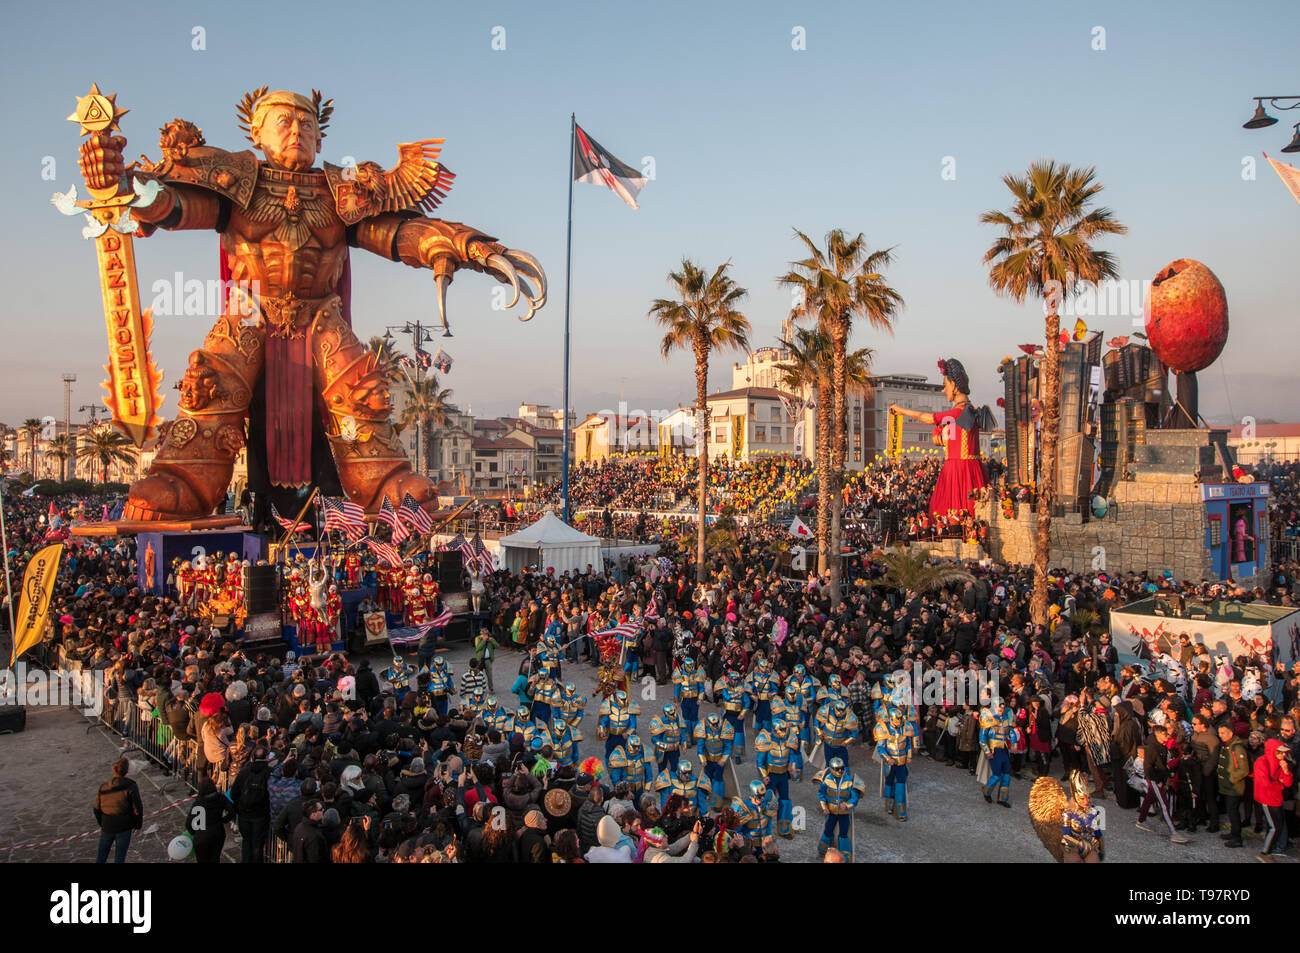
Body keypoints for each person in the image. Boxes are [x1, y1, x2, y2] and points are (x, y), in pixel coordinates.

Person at [888, 357, 986, 518]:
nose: (943, 390)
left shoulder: (959, 412)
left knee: (955, 508)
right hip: (961, 468)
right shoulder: (965, 412)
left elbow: (930, 418)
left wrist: (903, 411)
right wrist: (940, 432)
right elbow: (942, 439)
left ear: (953, 385)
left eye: (945, 385)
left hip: (959, 470)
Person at [93, 757, 143, 864]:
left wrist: (101, 823)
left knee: (101, 856)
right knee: (120, 857)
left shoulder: (104, 787)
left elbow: (96, 808)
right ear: (126, 771)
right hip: (124, 827)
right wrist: (138, 826)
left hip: (107, 825)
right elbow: (137, 808)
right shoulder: (131, 786)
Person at [1254, 736, 1294, 862]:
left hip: (1276, 798)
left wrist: (1286, 770)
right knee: (1274, 827)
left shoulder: (1281, 763)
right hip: (1267, 798)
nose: (1283, 755)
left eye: (1284, 752)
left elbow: (1288, 783)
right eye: (1280, 752)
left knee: (1277, 826)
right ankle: (1264, 853)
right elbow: (1265, 784)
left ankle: (1269, 849)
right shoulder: (1262, 761)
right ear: (1273, 751)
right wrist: (1279, 783)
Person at [187, 775, 236, 863]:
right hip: (217, 833)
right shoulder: (220, 798)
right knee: (215, 858)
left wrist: (194, 832)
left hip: (202, 836)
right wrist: (223, 820)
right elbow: (232, 811)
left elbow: (189, 823)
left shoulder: (198, 803)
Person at [1216, 722, 1249, 849]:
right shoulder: (1227, 745)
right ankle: (1233, 832)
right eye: (1219, 733)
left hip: (1234, 787)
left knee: (1233, 812)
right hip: (1227, 786)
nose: (1221, 735)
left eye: (1223, 733)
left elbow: (1243, 770)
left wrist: (1231, 779)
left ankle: (1237, 838)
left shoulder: (1237, 748)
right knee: (1231, 812)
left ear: (1231, 732)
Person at [291, 798, 329, 863]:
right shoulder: (314, 835)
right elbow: (315, 858)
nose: (323, 810)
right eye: (320, 809)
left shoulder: (299, 827)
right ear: (313, 814)